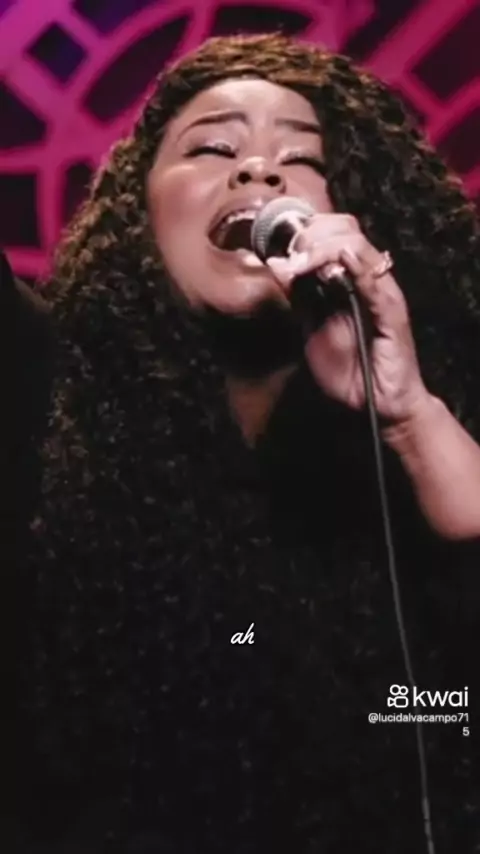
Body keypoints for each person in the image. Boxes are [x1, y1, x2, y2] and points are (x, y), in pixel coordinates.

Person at [7, 32, 480, 854]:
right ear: (137, 208)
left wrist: (407, 415)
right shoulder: (36, 382)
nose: (259, 171)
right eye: (213, 148)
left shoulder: (431, 419)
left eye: (302, 159)